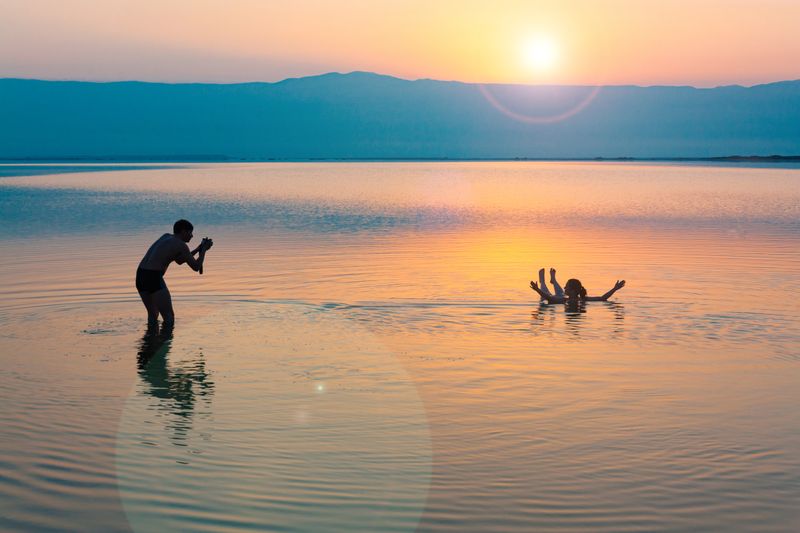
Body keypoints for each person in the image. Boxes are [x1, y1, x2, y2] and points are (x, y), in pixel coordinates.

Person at [135, 219, 213, 325]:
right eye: (190, 232)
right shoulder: (181, 245)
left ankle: (150, 340)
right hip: (153, 277)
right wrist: (204, 251)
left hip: (141, 275)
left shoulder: (166, 236)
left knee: (153, 314)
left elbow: (179, 260)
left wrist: (198, 249)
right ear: (183, 231)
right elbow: (196, 267)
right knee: (169, 317)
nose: (192, 236)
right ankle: (165, 341)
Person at [530, 267, 625, 304]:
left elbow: (549, 298)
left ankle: (542, 281)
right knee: (560, 292)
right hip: (561, 296)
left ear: (573, 291)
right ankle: (553, 280)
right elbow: (603, 298)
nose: (565, 287)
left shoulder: (565, 300)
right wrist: (615, 289)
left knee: (546, 296)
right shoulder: (583, 299)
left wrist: (537, 289)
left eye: (566, 286)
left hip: (558, 297)